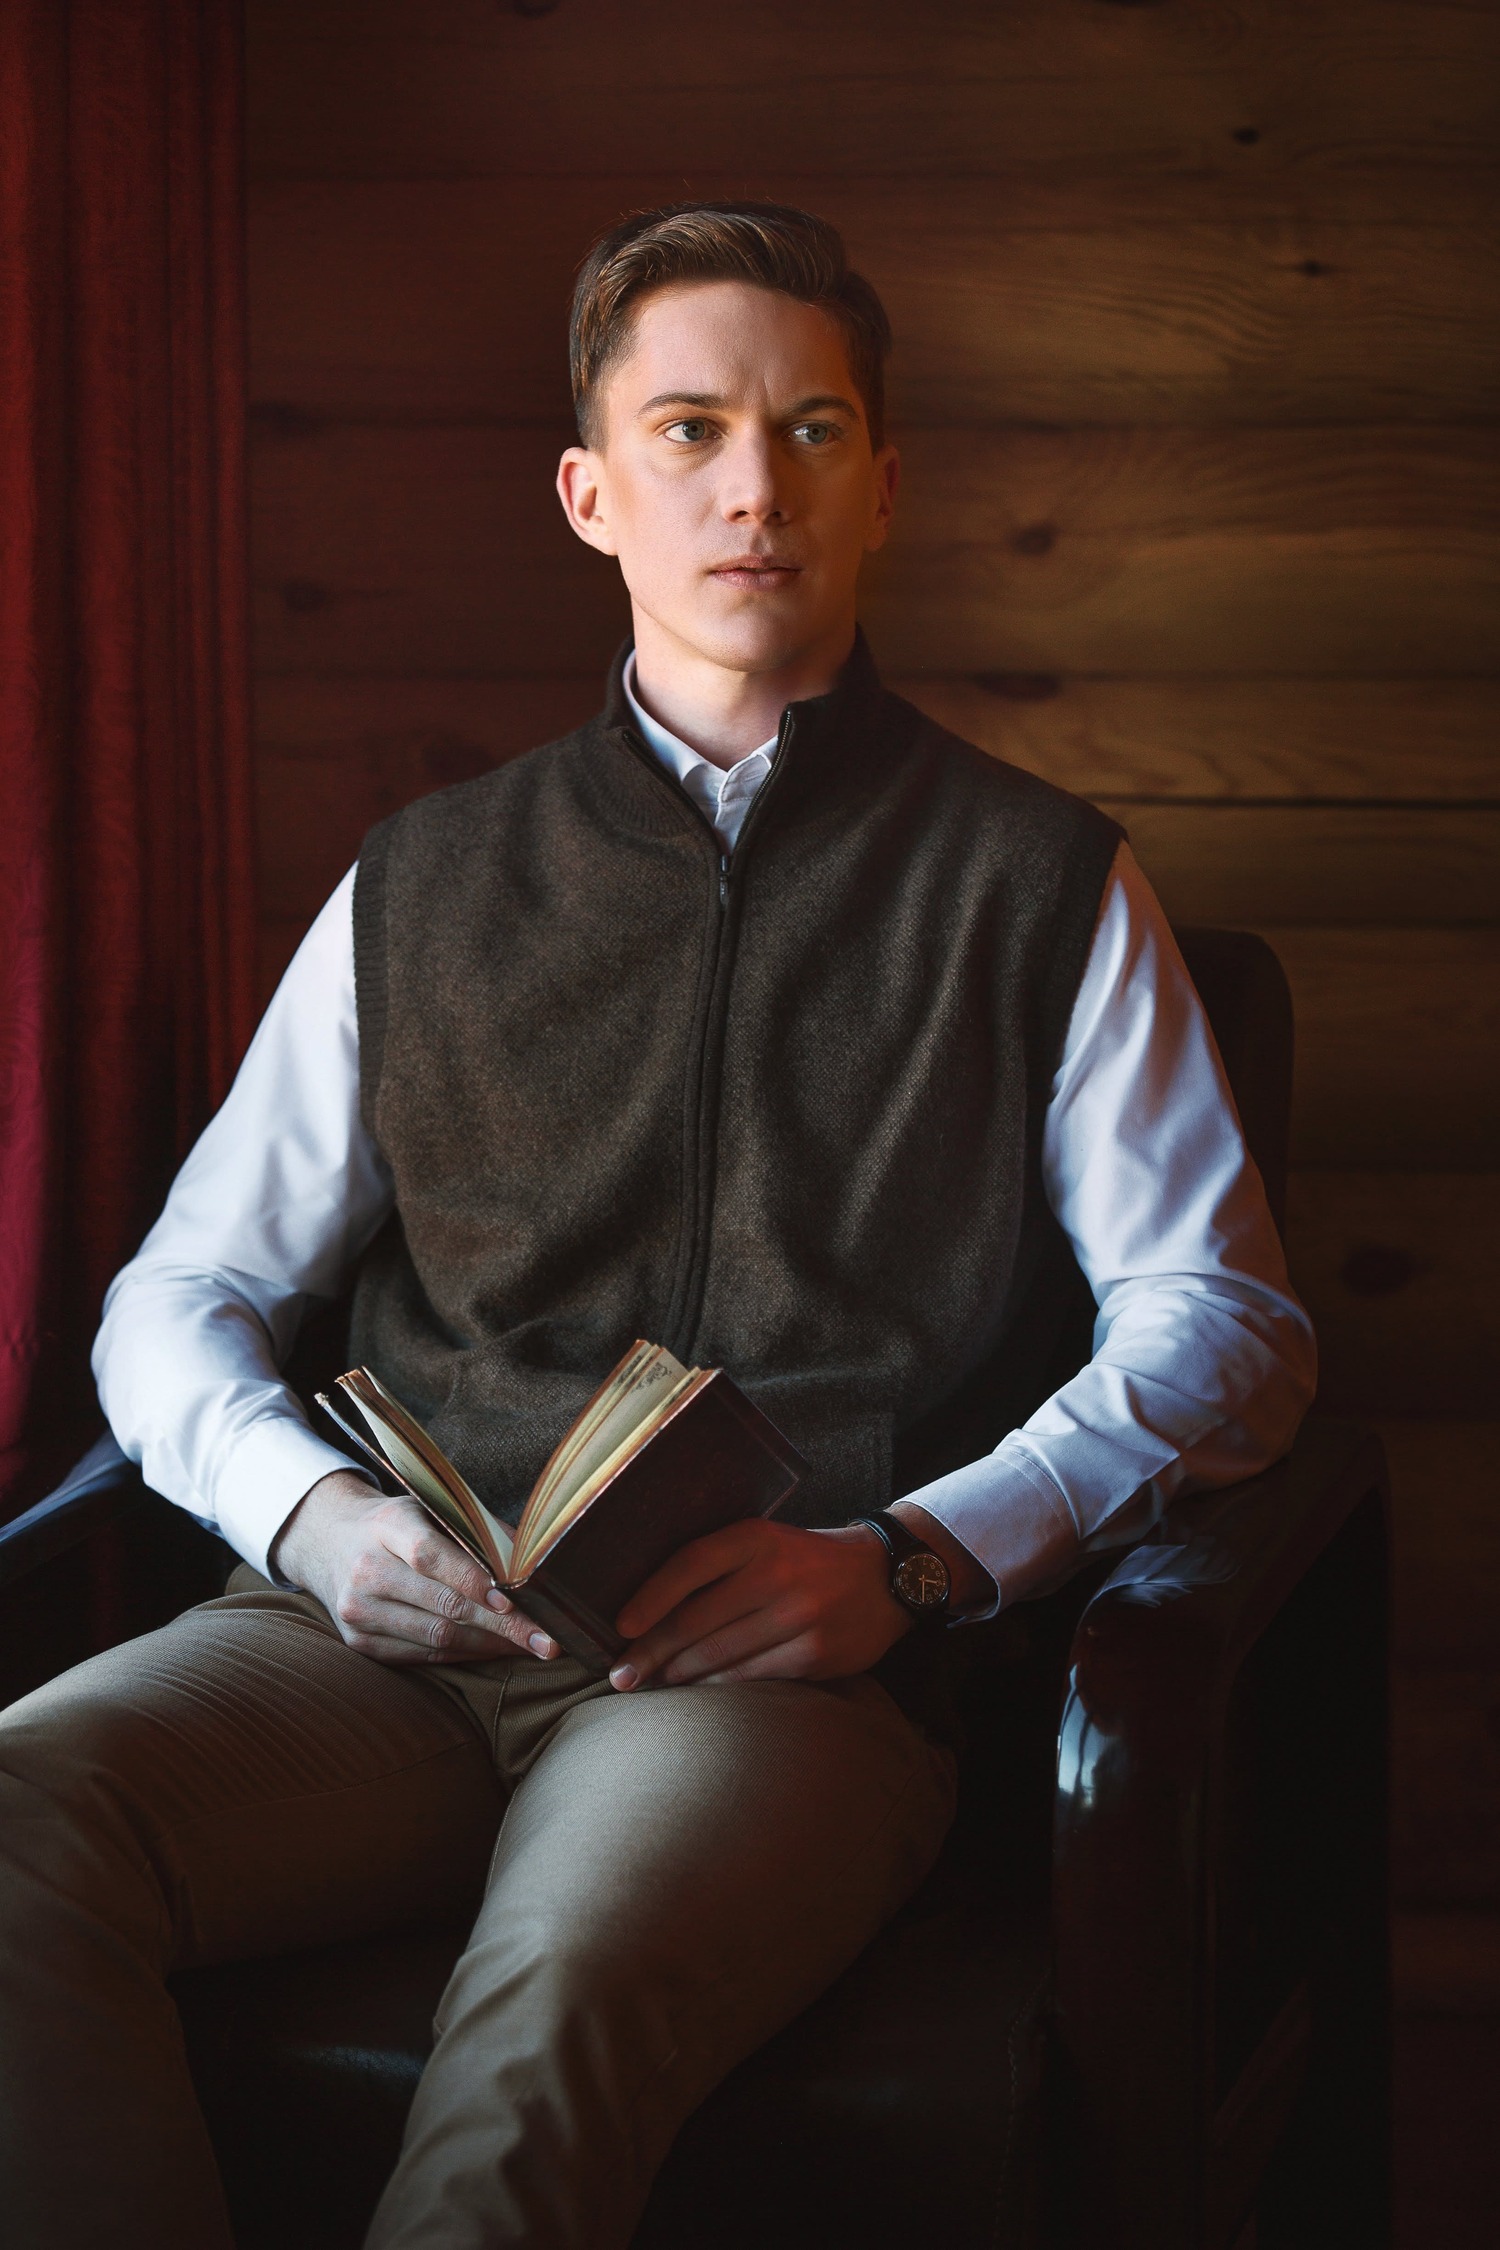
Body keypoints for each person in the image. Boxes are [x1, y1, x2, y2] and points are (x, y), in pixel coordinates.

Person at [0, 203, 1314, 2249]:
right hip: (379, 1639)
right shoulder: (423, 880)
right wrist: (307, 1519)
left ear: (882, 485)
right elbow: (186, 1291)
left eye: (810, 430)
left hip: (767, 1677)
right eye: (690, 430)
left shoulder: (1039, 883)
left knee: (552, 2002)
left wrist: (918, 1556)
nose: (753, 486)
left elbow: (1225, 1324)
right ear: (590, 493)